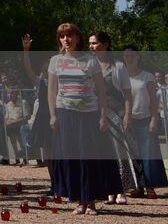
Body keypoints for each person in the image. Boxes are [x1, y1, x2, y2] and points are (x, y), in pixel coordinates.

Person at [48, 22, 123, 214]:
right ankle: (79, 201)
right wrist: (53, 115)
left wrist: (103, 116)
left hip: (88, 114)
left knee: (87, 158)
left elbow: (101, 92)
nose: (67, 39)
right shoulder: (55, 61)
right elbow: (51, 91)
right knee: (71, 158)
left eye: (70, 35)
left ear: (77, 38)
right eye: (63, 36)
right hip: (65, 113)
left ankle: (90, 202)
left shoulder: (90, 60)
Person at [89, 31, 139, 202]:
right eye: (90, 43)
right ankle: (108, 189)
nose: (91, 47)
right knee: (103, 152)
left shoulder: (118, 66)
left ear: (105, 45)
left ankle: (122, 190)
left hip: (116, 113)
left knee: (119, 151)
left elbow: (127, 93)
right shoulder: (88, 65)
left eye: (94, 43)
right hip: (95, 113)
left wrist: (128, 115)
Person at [121, 46, 167, 197]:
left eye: (132, 55)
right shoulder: (121, 77)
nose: (129, 58)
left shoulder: (147, 77)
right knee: (133, 155)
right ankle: (137, 186)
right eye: (126, 56)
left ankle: (150, 186)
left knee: (149, 154)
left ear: (138, 57)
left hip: (145, 119)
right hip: (128, 119)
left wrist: (154, 119)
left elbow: (154, 101)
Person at [21, 33, 52, 167]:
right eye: (46, 71)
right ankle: (54, 181)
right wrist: (26, 50)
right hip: (44, 116)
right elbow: (28, 69)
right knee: (47, 149)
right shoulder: (41, 83)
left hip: (58, 114)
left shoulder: (62, 83)